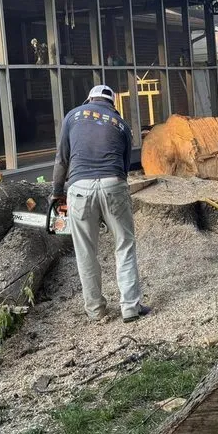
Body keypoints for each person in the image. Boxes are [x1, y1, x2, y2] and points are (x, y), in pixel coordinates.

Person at [52, 85, 150, 323]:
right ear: (112, 104)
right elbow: (125, 168)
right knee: (124, 245)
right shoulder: (121, 124)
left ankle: (96, 311)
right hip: (113, 184)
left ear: (90, 99)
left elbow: (62, 159)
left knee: (86, 251)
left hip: (79, 188)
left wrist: (56, 193)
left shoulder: (73, 116)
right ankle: (130, 308)